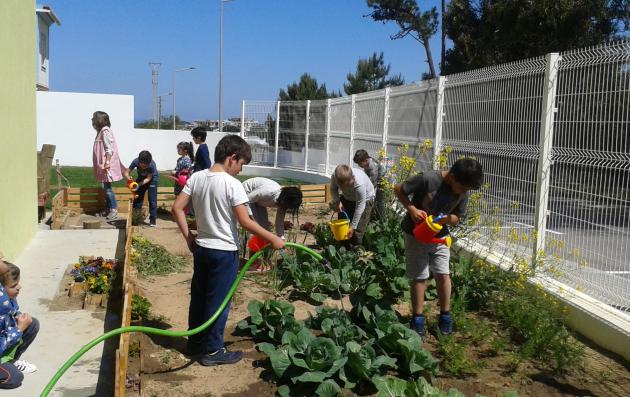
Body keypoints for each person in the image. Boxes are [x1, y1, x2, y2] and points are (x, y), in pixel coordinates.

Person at [172, 135, 284, 366]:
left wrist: (188, 237)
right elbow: (245, 222)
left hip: (201, 248)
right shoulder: (232, 184)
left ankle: (195, 343)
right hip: (223, 252)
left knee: (200, 297)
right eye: (241, 164)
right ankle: (213, 351)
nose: (240, 170)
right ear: (232, 158)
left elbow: (177, 207)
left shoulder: (197, 177)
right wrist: (273, 238)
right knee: (219, 302)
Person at [394, 158, 484, 336]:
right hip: (415, 234)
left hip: (440, 236)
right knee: (420, 277)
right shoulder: (427, 179)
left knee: (443, 274)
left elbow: (457, 217)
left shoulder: (463, 192)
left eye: (467, 189)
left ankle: (445, 315)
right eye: (463, 188)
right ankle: (417, 318)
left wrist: (447, 219)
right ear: (451, 177)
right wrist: (412, 209)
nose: (465, 192)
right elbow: (398, 189)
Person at [0, 260, 40, 389]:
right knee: (15, 378)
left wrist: (17, 316)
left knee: (32, 324)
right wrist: (18, 329)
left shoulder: (7, 301)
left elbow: (11, 313)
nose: (19, 287)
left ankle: (11, 361)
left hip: (4, 341)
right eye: (13, 286)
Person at [329, 164, 375, 246]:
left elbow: (360, 206)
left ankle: (356, 251)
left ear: (352, 177)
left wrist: (353, 226)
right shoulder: (335, 177)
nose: (348, 186)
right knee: (344, 224)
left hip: (365, 200)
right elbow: (333, 188)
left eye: (349, 184)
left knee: (358, 229)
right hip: (347, 197)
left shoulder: (359, 184)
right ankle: (344, 248)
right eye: (345, 186)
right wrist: (337, 201)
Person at [91, 111, 125, 221]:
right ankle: (109, 209)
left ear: (99, 120)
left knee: (108, 189)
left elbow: (109, 148)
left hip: (106, 165)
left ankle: (113, 210)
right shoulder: (101, 131)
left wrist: (107, 162)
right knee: (105, 188)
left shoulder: (105, 131)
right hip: (103, 165)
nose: (92, 120)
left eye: (94, 118)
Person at [123, 151, 159, 227]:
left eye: (146, 166)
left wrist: (138, 185)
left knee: (152, 200)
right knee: (138, 197)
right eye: (143, 166)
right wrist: (129, 179)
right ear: (139, 161)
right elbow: (126, 172)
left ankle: (153, 220)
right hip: (141, 178)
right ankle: (136, 218)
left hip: (152, 179)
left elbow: (148, 178)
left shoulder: (152, 165)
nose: (144, 167)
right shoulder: (135, 161)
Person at [354, 149, 386, 218]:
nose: (359, 165)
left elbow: (372, 183)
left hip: (384, 182)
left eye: (360, 163)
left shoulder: (372, 166)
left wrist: (365, 192)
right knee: (377, 200)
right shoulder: (367, 163)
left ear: (365, 160)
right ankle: (377, 216)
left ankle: (381, 219)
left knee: (379, 201)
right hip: (378, 180)